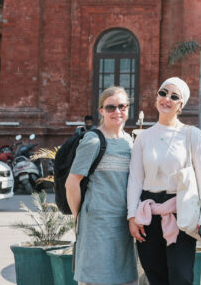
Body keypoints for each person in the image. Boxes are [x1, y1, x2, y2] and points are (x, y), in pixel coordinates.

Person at [127, 77, 201, 285]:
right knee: (155, 275)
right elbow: (136, 179)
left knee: (181, 277)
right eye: (163, 93)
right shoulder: (143, 137)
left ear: (181, 105)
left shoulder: (192, 135)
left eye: (174, 96)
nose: (167, 99)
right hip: (148, 212)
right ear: (157, 97)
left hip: (181, 210)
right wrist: (132, 216)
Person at [67, 86, 137, 285]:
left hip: (122, 223)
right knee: (96, 278)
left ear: (128, 108)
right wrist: (79, 215)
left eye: (122, 106)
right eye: (110, 107)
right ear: (101, 111)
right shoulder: (93, 140)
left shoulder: (129, 141)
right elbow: (72, 183)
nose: (117, 112)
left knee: (124, 278)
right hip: (97, 223)